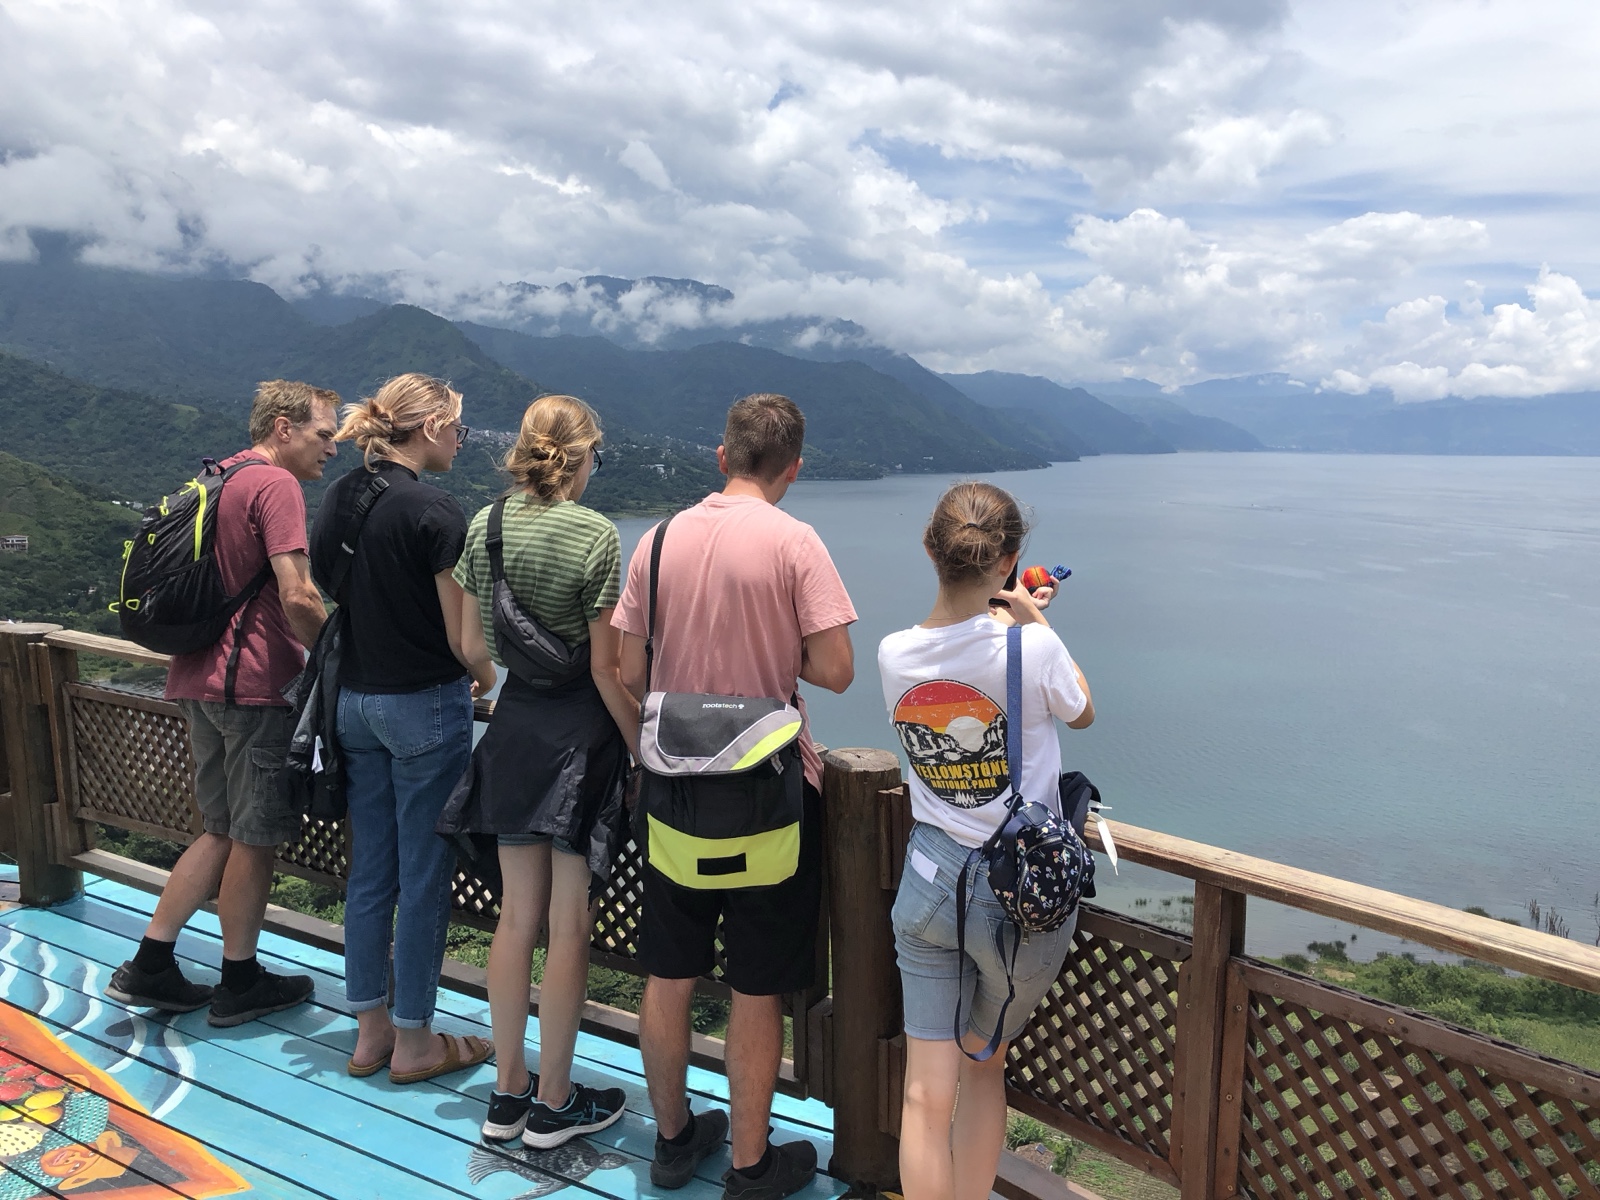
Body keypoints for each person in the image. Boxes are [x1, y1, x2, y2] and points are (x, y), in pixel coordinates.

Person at [614, 393, 857, 1199]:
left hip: (672, 791)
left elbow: (628, 669)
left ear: (721, 458)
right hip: (769, 795)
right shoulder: (795, 541)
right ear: (792, 469)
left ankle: (673, 1140)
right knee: (758, 982)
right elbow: (836, 669)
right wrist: (774, 648)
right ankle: (751, 1165)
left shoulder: (657, 541)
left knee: (669, 970)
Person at [877, 481, 1094, 1200]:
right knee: (983, 1064)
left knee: (923, 1093)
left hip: (929, 878)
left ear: (929, 549)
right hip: (1014, 896)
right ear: (1009, 560)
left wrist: (1007, 611)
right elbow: (1081, 710)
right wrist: (1032, 614)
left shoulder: (893, 653)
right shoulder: (1034, 646)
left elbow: (962, 658)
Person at [106, 380, 339, 1026]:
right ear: (285, 428)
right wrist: (337, 659)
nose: (332, 449)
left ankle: (151, 963)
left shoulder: (219, 476)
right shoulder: (275, 485)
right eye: (324, 435)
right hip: (255, 686)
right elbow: (299, 594)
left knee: (217, 831)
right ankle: (240, 981)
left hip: (195, 678)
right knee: (254, 839)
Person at [438, 395, 634, 1147]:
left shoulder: (485, 524)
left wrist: (500, 681)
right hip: (581, 739)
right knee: (568, 925)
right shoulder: (596, 535)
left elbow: (468, 644)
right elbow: (607, 667)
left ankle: (508, 1093)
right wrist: (641, 746)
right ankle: (555, 1102)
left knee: (515, 918)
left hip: (514, 729)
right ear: (581, 457)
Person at [308, 373, 495, 1084]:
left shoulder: (340, 495)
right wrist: (487, 675)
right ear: (430, 427)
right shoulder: (435, 512)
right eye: (458, 428)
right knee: (423, 874)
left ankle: (370, 1032)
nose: (460, 441)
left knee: (371, 871)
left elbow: (333, 589)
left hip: (354, 702)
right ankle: (416, 1039)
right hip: (422, 705)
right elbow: (462, 634)